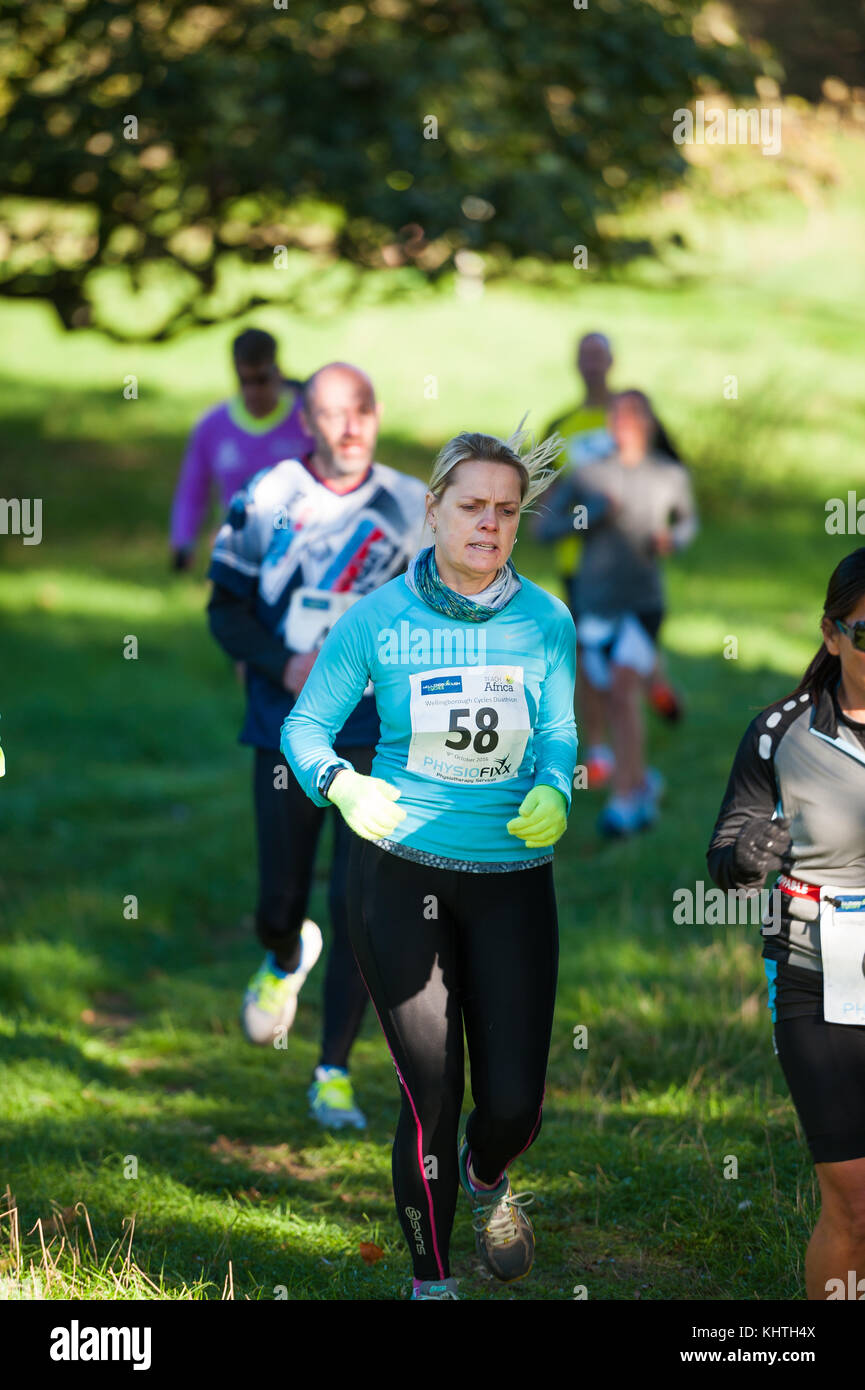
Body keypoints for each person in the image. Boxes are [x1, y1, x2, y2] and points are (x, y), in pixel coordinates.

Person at [282, 423, 578, 1300]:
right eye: (472, 506)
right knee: (430, 1097)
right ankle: (431, 1283)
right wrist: (342, 785)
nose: (489, 524)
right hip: (400, 871)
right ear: (434, 509)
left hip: (512, 881)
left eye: (506, 511)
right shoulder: (378, 618)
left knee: (513, 1103)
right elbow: (304, 728)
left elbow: (558, 731)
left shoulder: (546, 620)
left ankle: (488, 1175)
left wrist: (557, 787)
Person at [206, 362, 426, 1129]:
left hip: (380, 736)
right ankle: (283, 952)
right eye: (331, 413)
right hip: (286, 727)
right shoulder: (267, 498)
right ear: (307, 422)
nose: (349, 426)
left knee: (360, 903)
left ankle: (331, 1070)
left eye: (361, 408)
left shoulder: (410, 505)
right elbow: (224, 610)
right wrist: (285, 661)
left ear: (377, 411)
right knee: (282, 898)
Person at [707, 548, 865, 1301]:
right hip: (816, 974)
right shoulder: (781, 731)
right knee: (855, 1203)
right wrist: (747, 853)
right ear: (831, 636)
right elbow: (724, 858)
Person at [534, 389, 697, 837]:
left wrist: (673, 539)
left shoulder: (668, 474)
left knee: (624, 688)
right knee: (608, 692)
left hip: (644, 601)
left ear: (647, 423)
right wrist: (590, 517)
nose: (623, 426)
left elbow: (686, 522)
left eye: (633, 418)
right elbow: (543, 526)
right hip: (595, 599)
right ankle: (642, 782)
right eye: (617, 418)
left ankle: (624, 801)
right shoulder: (589, 475)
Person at [170, 328, 312, 571]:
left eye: (261, 380)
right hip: (236, 551)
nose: (253, 392)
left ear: (278, 372)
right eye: (245, 381)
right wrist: (183, 540)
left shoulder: (306, 420)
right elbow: (193, 488)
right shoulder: (213, 425)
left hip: (298, 550)